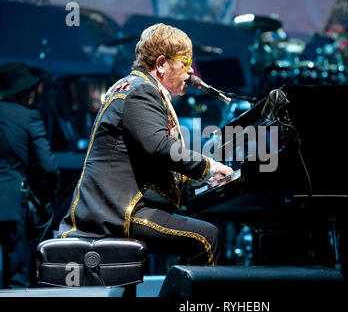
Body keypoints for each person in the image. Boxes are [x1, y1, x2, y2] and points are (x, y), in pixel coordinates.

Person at [57, 23, 233, 266]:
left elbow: (150, 157)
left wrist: (198, 180)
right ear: (161, 64)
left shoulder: (136, 86)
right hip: (117, 212)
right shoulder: (141, 91)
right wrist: (210, 167)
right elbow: (159, 147)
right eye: (184, 63)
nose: (191, 70)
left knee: (195, 229)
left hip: (115, 207)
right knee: (207, 236)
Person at [0, 62, 59, 288]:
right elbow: (49, 166)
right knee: (17, 279)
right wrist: (48, 196)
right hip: (14, 204)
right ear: (24, 91)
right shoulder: (28, 117)